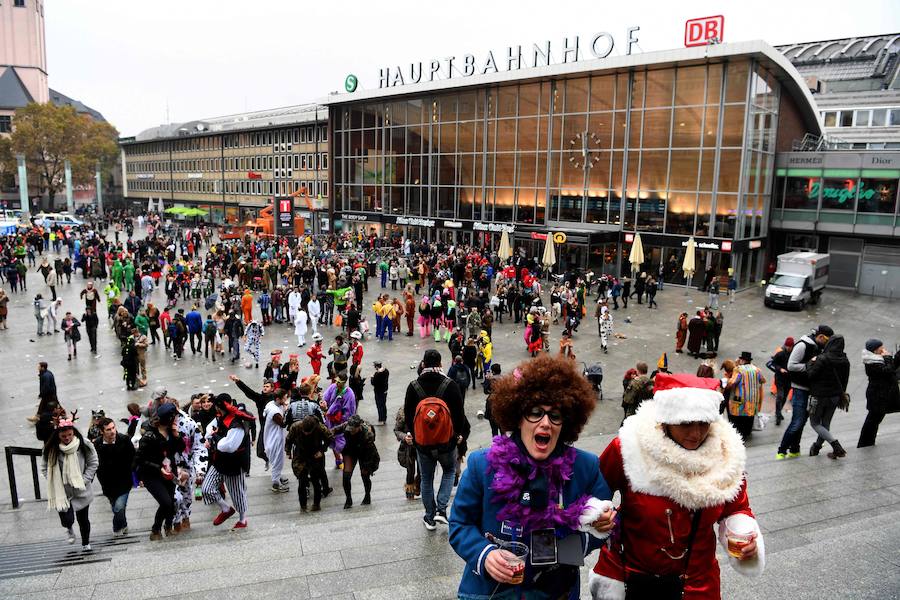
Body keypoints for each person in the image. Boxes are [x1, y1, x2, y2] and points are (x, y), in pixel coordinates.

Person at [450, 354, 614, 599]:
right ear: (518, 416)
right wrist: (484, 555)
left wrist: (589, 533)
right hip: (491, 592)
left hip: (556, 590)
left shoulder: (586, 468)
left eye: (555, 415)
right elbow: (460, 524)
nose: (545, 423)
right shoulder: (481, 464)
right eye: (535, 412)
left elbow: (600, 530)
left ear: (566, 422)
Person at [589, 373, 765, 599]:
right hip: (631, 579)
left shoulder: (726, 455)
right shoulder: (630, 448)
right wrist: (597, 514)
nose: (696, 434)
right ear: (665, 420)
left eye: (703, 424)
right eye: (686, 424)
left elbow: (737, 509)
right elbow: (593, 492)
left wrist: (742, 534)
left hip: (696, 584)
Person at [403, 349, 467, 530]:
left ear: (423, 364)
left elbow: (409, 415)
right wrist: (457, 436)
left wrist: (412, 436)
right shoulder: (450, 384)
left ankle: (429, 517)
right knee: (448, 471)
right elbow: (459, 415)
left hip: (423, 444)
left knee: (426, 478)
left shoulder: (413, 385)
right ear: (440, 364)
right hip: (447, 443)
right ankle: (441, 510)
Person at [41, 419, 98, 552]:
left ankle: (86, 543)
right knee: (66, 519)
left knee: (83, 519)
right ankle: (69, 528)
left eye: (70, 435)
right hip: (62, 492)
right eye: (63, 436)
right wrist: (53, 482)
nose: (67, 438)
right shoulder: (51, 448)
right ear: (58, 436)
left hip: (81, 490)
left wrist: (84, 480)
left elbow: (93, 462)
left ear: (74, 433)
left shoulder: (84, 444)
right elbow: (44, 468)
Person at [777, 325, 832, 460]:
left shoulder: (820, 347)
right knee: (797, 421)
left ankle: (795, 449)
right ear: (820, 337)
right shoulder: (803, 345)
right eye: (826, 341)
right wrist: (810, 365)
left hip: (812, 390)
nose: (826, 344)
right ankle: (782, 450)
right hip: (800, 389)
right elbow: (791, 365)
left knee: (801, 422)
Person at [201, 393, 255, 531]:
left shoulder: (238, 421)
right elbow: (210, 429)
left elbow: (229, 446)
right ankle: (225, 509)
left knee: (237, 493)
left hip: (234, 463)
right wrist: (210, 437)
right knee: (207, 488)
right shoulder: (221, 415)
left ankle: (243, 519)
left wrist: (215, 439)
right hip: (219, 460)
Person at [806, 335, 850, 458]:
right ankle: (816, 447)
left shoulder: (822, 358)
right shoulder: (845, 360)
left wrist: (810, 362)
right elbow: (845, 380)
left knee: (814, 423)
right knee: (825, 423)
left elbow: (810, 375)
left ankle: (836, 446)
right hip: (835, 396)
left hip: (818, 396)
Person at [94, 417, 135, 536]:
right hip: (108, 483)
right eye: (108, 429)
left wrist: (136, 475)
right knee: (115, 506)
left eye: (113, 428)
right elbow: (95, 463)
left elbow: (133, 457)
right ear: (102, 431)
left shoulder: (124, 440)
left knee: (119, 506)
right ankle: (124, 524)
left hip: (124, 480)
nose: (112, 431)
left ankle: (116, 528)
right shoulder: (97, 444)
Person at [858, 339, 900, 447]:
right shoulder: (872, 362)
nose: (883, 349)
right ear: (876, 350)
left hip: (881, 395)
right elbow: (888, 370)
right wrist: (888, 357)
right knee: (872, 420)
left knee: (874, 419)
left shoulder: (877, 359)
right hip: (877, 396)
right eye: (881, 347)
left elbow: (893, 366)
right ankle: (864, 443)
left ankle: (867, 442)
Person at [286, 415, 333, 512]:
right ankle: (303, 505)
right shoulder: (296, 427)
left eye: (309, 432)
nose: (306, 434)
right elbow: (288, 440)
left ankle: (316, 504)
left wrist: (322, 450)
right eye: (305, 432)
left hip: (315, 454)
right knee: (302, 481)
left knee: (316, 481)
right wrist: (288, 452)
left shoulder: (320, 427)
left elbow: (330, 438)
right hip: (300, 455)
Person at [332, 414, 380, 509]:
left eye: (353, 429)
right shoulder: (347, 426)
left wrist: (367, 466)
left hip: (365, 452)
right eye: (350, 429)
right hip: (350, 450)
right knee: (346, 476)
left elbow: (370, 452)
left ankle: (367, 495)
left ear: (359, 427)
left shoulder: (368, 434)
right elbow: (333, 430)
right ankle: (348, 499)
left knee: (365, 475)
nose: (351, 431)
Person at [725, 351, 766, 441]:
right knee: (749, 415)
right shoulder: (756, 369)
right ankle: (747, 432)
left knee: (738, 415)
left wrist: (726, 383)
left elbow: (733, 382)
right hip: (753, 398)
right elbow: (763, 380)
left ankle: (740, 433)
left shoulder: (739, 369)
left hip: (740, 398)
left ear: (742, 360)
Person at [324, 372, 357, 469]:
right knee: (332, 440)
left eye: (339, 382)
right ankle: (338, 460)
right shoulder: (333, 387)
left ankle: (346, 459)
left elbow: (350, 411)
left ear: (344, 382)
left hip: (341, 423)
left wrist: (339, 417)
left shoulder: (349, 393)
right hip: (330, 420)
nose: (337, 383)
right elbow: (325, 397)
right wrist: (324, 403)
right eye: (336, 381)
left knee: (342, 443)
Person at [263, 388, 291, 493]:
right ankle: (276, 484)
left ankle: (278, 477)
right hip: (275, 440)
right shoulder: (275, 412)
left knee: (277, 461)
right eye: (284, 398)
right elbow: (283, 423)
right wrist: (287, 409)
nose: (286, 399)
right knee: (277, 462)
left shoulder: (271, 404)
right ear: (278, 399)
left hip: (272, 438)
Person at [765, 337, 795, 426]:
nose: (788, 348)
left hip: (789, 380)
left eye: (790, 346)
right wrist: (780, 369)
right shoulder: (780, 354)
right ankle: (778, 414)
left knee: (784, 397)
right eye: (787, 346)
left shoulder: (794, 355)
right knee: (780, 396)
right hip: (780, 379)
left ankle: (779, 412)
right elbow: (773, 363)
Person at [370, 361, 390, 425]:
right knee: (383, 404)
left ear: (376, 366)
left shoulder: (377, 374)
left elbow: (373, 383)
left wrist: (372, 377)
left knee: (379, 405)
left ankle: (381, 419)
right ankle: (384, 418)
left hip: (379, 392)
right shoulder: (386, 371)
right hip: (384, 390)